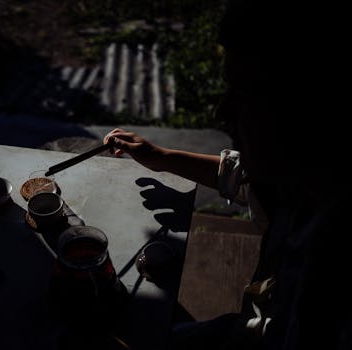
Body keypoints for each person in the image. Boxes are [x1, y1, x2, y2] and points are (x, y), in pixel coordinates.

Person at [103, 1, 350, 349]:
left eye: (246, 93)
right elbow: (248, 176)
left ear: (312, 107)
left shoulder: (337, 284)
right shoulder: (306, 182)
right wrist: (161, 157)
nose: (223, 112)